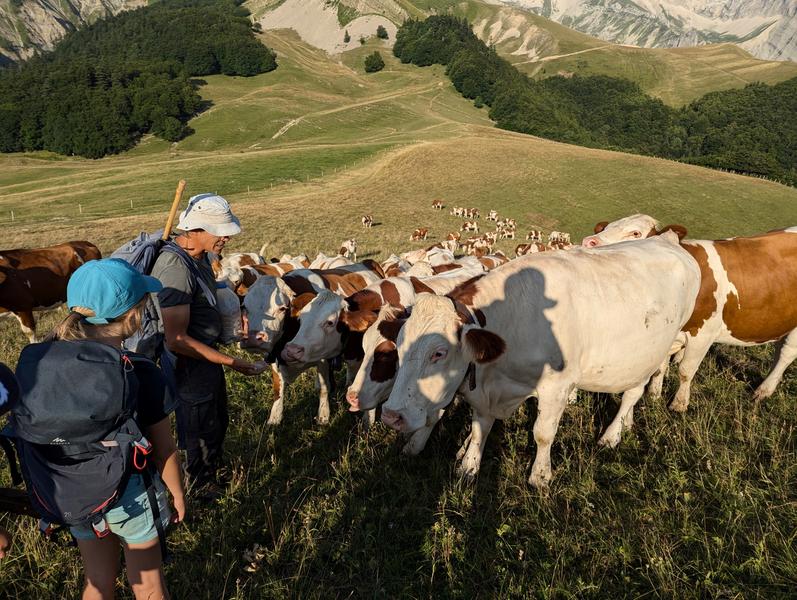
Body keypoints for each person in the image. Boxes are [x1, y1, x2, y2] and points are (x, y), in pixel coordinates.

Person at [14, 259, 185, 599]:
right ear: (134, 318)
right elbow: (164, 449)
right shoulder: (141, 371)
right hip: (130, 494)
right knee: (149, 583)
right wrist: (176, 492)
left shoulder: (41, 365)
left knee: (97, 580)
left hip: (72, 494)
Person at [150, 193, 260, 497]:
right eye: (218, 230)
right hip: (188, 361)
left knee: (214, 417)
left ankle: (211, 469)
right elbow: (177, 339)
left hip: (206, 356)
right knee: (197, 420)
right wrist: (233, 362)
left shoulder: (200, 259)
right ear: (195, 230)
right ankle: (199, 485)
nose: (225, 237)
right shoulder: (174, 267)